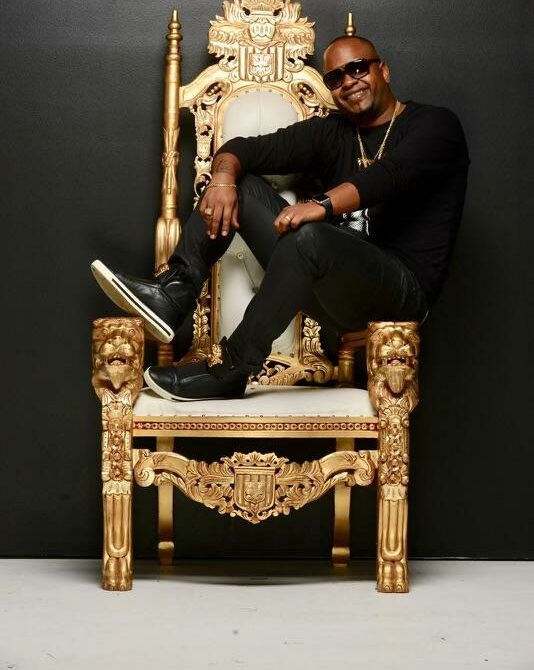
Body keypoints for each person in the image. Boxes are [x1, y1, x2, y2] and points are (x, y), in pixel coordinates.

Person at [92, 35, 469, 402]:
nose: (349, 82)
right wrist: (222, 179)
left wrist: (321, 205)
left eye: (358, 68)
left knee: (309, 237)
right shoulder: (332, 133)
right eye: (335, 77)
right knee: (240, 186)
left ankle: (232, 369)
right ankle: (174, 292)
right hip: (333, 289)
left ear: (383, 70)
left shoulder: (435, 125)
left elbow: (391, 175)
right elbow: (244, 149)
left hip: (401, 293)